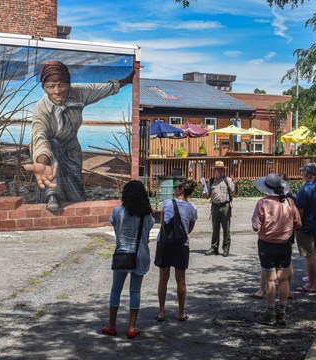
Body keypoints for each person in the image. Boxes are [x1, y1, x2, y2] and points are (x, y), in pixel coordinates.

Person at [24, 60, 135, 211]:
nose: (57, 91)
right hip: (49, 149)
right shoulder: (41, 109)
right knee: (52, 148)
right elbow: (40, 137)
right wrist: (42, 162)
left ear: (68, 84)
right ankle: (52, 196)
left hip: (71, 147)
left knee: (75, 190)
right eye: (50, 87)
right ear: (44, 88)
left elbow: (103, 89)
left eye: (61, 85)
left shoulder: (78, 93)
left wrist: (128, 80)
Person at [102, 180, 154, 339]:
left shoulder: (118, 211)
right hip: (141, 255)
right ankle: (131, 327)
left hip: (122, 254)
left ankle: (112, 326)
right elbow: (148, 230)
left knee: (115, 290)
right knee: (135, 291)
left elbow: (116, 227)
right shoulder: (147, 214)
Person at [251, 173, 301, 326]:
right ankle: (282, 312)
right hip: (285, 244)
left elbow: (255, 226)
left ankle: (270, 312)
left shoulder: (262, 203)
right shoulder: (290, 202)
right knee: (284, 279)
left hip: (267, 245)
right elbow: (298, 223)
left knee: (270, 280)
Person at [155, 179, 198, 322]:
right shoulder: (192, 209)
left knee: (163, 279)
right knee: (181, 280)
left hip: (164, 244)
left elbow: (162, 223)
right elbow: (189, 230)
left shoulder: (167, 203)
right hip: (181, 245)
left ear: (180, 189)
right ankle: (181, 312)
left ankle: (161, 312)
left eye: (176, 187)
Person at [294, 163, 316, 293]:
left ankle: (311, 284)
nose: (302, 175)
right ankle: (314, 282)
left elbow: (300, 211)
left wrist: (296, 225)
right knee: (313, 255)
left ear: (307, 174)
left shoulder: (304, 189)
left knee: (309, 256)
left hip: (306, 227)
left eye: (303, 172)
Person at [205, 161, 237, 257]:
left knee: (226, 229)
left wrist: (236, 185)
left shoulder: (228, 180)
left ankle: (226, 249)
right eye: (218, 169)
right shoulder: (211, 181)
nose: (220, 171)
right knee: (215, 228)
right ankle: (214, 247)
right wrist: (204, 189)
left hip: (225, 206)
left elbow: (234, 193)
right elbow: (206, 196)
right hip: (215, 206)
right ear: (215, 171)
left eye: (221, 169)